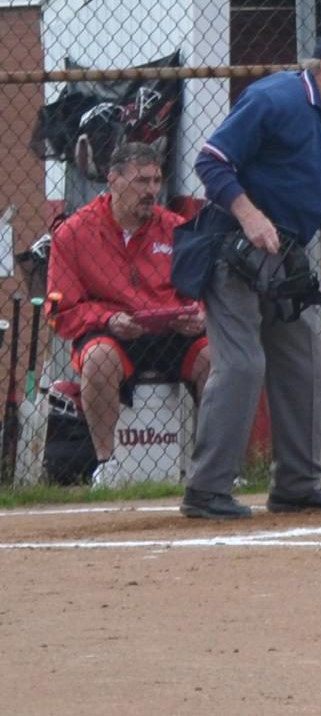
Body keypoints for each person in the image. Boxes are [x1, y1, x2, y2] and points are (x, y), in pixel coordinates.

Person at [178, 24, 321, 519]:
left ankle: (297, 485)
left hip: (289, 259)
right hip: (232, 247)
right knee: (243, 364)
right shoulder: (275, 98)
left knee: (303, 363)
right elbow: (212, 163)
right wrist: (250, 215)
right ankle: (206, 490)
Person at [46, 142, 210, 488]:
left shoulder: (176, 228)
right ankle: (108, 464)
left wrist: (199, 315)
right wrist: (106, 319)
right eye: (141, 181)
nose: (151, 190)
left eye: (156, 181)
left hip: (171, 333)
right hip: (112, 333)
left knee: (218, 356)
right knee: (99, 357)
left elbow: (204, 292)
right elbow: (61, 310)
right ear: (113, 180)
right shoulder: (74, 233)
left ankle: (215, 466)